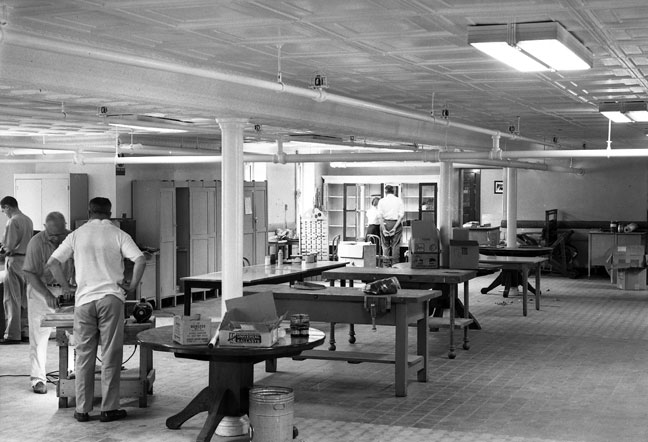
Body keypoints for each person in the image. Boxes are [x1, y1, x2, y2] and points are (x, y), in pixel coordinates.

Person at [48, 197, 145, 423]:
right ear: (110, 213)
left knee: (84, 355)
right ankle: (109, 409)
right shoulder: (119, 234)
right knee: (111, 353)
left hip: (84, 301)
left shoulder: (76, 235)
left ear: (89, 212)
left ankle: (82, 409)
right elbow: (140, 260)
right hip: (111, 298)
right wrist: (131, 285)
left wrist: (66, 287)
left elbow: (53, 263)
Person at [23, 212, 74, 394]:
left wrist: (73, 287)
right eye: (52, 235)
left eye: (59, 234)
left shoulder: (71, 237)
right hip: (41, 289)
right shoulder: (36, 243)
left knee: (71, 332)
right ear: (45, 228)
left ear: (65, 227)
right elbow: (29, 273)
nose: (56, 239)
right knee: (39, 335)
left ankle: (71, 371)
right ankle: (38, 379)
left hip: (65, 289)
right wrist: (47, 295)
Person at [0, 196, 34, 344]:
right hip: (27, 261)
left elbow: (8, 247)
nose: (4, 214)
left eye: (3, 211)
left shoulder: (12, 221)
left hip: (14, 261)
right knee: (25, 299)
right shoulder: (28, 220)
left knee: (12, 298)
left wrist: (2, 250)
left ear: (8, 207)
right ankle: (25, 331)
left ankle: (12, 334)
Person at [377, 185, 405, 265]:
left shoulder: (381, 201)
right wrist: (395, 228)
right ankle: (395, 265)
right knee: (395, 245)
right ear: (394, 191)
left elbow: (379, 217)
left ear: (385, 192)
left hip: (385, 223)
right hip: (396, 223)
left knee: (385, 246)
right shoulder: (399, 200)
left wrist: (384, 229)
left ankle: (385, 265)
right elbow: (401, 216)